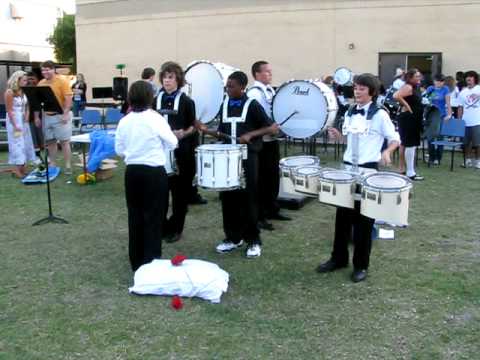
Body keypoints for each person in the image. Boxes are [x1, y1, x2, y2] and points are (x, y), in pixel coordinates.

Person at [316, 73, 400, 283]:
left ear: (371, 91)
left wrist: (387, 152)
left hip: (368, 173)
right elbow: (353, 140)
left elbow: (395, 139)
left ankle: (361, 265)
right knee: (342, 219)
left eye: (362, 88)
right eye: (355, 88)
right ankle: (338, 259)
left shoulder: (380, 114)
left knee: (364, 222)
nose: (357, 91)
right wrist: (339, 137)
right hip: (347, 172)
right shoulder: (351, 111)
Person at [198, 71, 279, 258]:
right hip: (227, 159)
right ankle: (233, 237)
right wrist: (206, 130)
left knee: (248, 198)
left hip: (247, 158)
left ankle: (253, 240)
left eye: (231, 86)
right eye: (227, 86)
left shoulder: (252, 105)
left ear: (242, 87)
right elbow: (221, 132)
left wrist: (250, 135)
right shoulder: (225, 104)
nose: (228, 89)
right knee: (228, 199)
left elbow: (270, 128)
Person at [115, 80, 178, 271]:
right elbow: (173, 142)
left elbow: (119, 150)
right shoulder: (156, 118)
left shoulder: (124, 121)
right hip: (153, 171)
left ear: (130, 98)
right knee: (154, 215)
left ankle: (136, 260)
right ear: (151, 98)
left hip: (132, 171)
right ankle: (151, 260)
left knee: (135, 215)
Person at [155, 61, 197, 243]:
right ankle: (161, 227)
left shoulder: (187, 101)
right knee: (160, 194)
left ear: (178, 79)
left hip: (181, 154)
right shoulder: (154, 99)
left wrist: (182, 134)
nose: (167, 80)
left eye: (171, 77)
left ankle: (176, 228)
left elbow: (193, 127)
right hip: (158, 154)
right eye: (164, 76)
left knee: (179, 195)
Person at [247, 60, 291, 231]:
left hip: (272, 140)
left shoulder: (270, 90)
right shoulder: (254, 93)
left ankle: (273, 209)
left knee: (273, 177)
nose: (270, 75)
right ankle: (260, 215)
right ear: (257, 74)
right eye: (267, 72)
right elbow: (256, 118)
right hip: (262, 142)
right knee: (262, 180)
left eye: (271, 72)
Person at [34, 60, 73, 175]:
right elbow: (36, 101)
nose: (45, 72)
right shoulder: (41, 83)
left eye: (47, 69)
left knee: (64, 142)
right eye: (43, 70)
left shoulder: (62, 81)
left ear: (53, 69)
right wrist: (37, 117)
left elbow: (68, 98)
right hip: (47, 116)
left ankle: (68, 165)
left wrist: (65, 114)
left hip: (60, 115)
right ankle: (53, 164)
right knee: (50, 142)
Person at [4, 70, 36, 178]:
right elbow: (9, 110)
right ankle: (16, 169)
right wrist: (15, 125)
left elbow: (27, 105)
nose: (26, 82)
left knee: (25, 143)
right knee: (17, 144)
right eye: (24, 80)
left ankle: (22, 168)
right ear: (17, 80)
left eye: (26, 80)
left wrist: (27, 115)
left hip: (23, 120)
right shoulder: (9, 92)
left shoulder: (23, 91)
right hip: (14, 120)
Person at [394, 69, 424, 180]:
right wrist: (407, 106)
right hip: (409, 118)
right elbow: (396, 95)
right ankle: (410, 173)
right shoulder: (408, 87)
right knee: (410, 144)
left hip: (413, 118)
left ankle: (402, 169)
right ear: (410, 78)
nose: (419, 78)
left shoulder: (415, 87)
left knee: (405, 144)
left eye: (419, 76)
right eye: (416, 76)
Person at [424, 74, 452, 165]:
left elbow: (448, 103)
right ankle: (431, 157)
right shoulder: (430, 89)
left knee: (440, 136)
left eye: (440, 81)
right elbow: (426, 100)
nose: (438, 83)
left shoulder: (445, 89)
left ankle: (438, 157)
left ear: (443, 82)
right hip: (431, 115)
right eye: (436, 81)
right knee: (430, 137)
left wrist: (449, 114)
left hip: (441, 115)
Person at [458, 70, 480, 169]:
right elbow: (460, 107)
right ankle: (467, 160)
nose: (469, 79)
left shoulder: (479, 89)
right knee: (466, 143)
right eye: (467, 77)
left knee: (478, 143)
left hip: (477, 121)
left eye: (471, 77)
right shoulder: (463, 92)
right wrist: (459, 120)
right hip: (465, 121)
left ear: (475, 79)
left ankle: (478, 161)